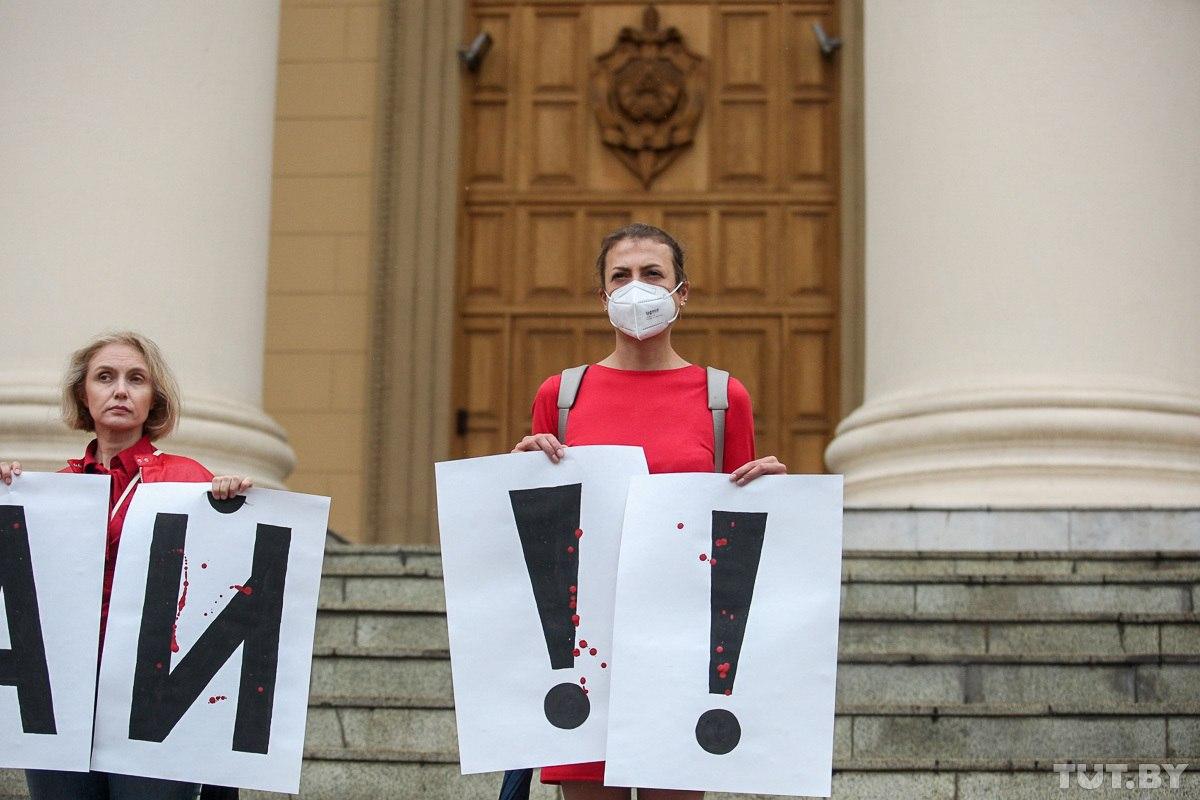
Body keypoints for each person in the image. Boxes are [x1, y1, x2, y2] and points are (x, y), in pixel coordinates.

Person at [511, 224, 786, 800]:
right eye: (622, 276)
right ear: (603, 296)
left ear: (682, 293)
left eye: (653, 274)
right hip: (587, 646)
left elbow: (737, 535)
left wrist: (773, 500)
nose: (637, 287)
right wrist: (516, 478)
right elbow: (539, 537)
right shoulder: (561, 397)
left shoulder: (722, 398)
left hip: (681, 642)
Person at [1, 331, 252, 800]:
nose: (120, 390)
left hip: (154, 697)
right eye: (105, 377)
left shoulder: (189, 480)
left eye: (136, 379)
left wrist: (232, 504)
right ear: (84, 394)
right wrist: (7, 501)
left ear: (153, 398)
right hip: (63, 696)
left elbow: (225, 585)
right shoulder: (51, 489)